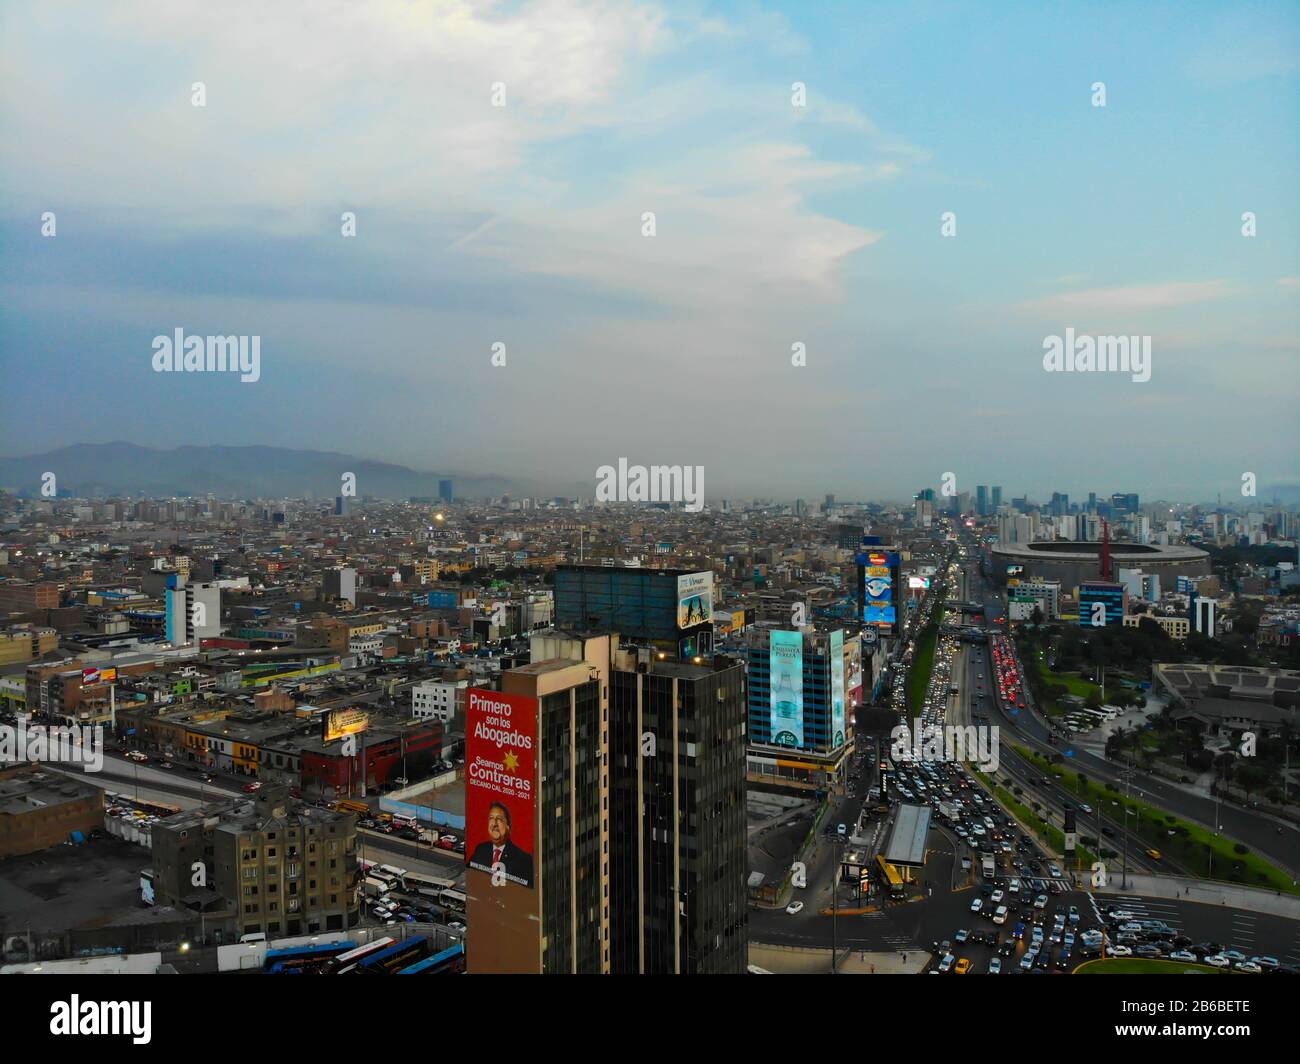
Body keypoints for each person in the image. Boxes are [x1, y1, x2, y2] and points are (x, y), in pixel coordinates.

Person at [469, 800, 534, 886]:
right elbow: (469, 875)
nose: (494, 824)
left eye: (499, 819)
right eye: (491, 818)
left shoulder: (524, 860)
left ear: (508, 826)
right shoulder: (481, 849)